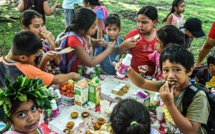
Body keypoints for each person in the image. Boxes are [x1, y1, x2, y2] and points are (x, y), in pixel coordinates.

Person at [126, 45, 209, 134]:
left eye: (177, 70)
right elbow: (142, 83)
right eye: (166, 70)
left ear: (189, 70)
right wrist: (128, 69)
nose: (170, 76)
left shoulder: (198, 96)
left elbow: (191, 131)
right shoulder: (167, 85)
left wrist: (169, 104)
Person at [0, 30, 80, 88]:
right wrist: (72, 75)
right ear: (23, 58)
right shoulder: (26, 69)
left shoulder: (1, 60)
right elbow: (56, 79)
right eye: (35, 56)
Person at [64, 8, 116, 73]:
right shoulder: (73, 40)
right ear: (82, 29)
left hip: (82, 73)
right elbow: (90, 62)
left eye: (96, 25)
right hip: (73, 76)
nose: (96, 28)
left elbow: (87, 41)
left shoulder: (85, 33)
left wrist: (96, 42)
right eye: (93, 27)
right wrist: (109, 50)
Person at [119, 6, 158, 75]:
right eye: (138, 21)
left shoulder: (160, 37)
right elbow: (119, 52)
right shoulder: (133, 34)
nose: (140, 25)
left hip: (151, 77)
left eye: (144, 22)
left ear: (154, 22)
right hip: (132, 74)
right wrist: (125, 44)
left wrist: (150, 69)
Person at [20, 10, 61, 75]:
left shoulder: (44, 41)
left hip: (53, 77)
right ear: (25, 28)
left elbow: (57, 61)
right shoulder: (25, 48)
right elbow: (36, 76)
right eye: (36, 26)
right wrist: (44, 60)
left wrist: (52, 42)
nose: (41, 29)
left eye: (42, 25)